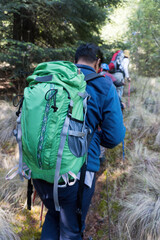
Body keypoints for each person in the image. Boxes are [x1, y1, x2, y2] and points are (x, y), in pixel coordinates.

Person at [33, 43, 126, 240]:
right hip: (77, 173)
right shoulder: (103, 85)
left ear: (75, 60)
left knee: (54, 214)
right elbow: (114, 137)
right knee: (71, 229)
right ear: (98, 62)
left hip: (40, 167)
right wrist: (92, 135)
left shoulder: (55, 80)